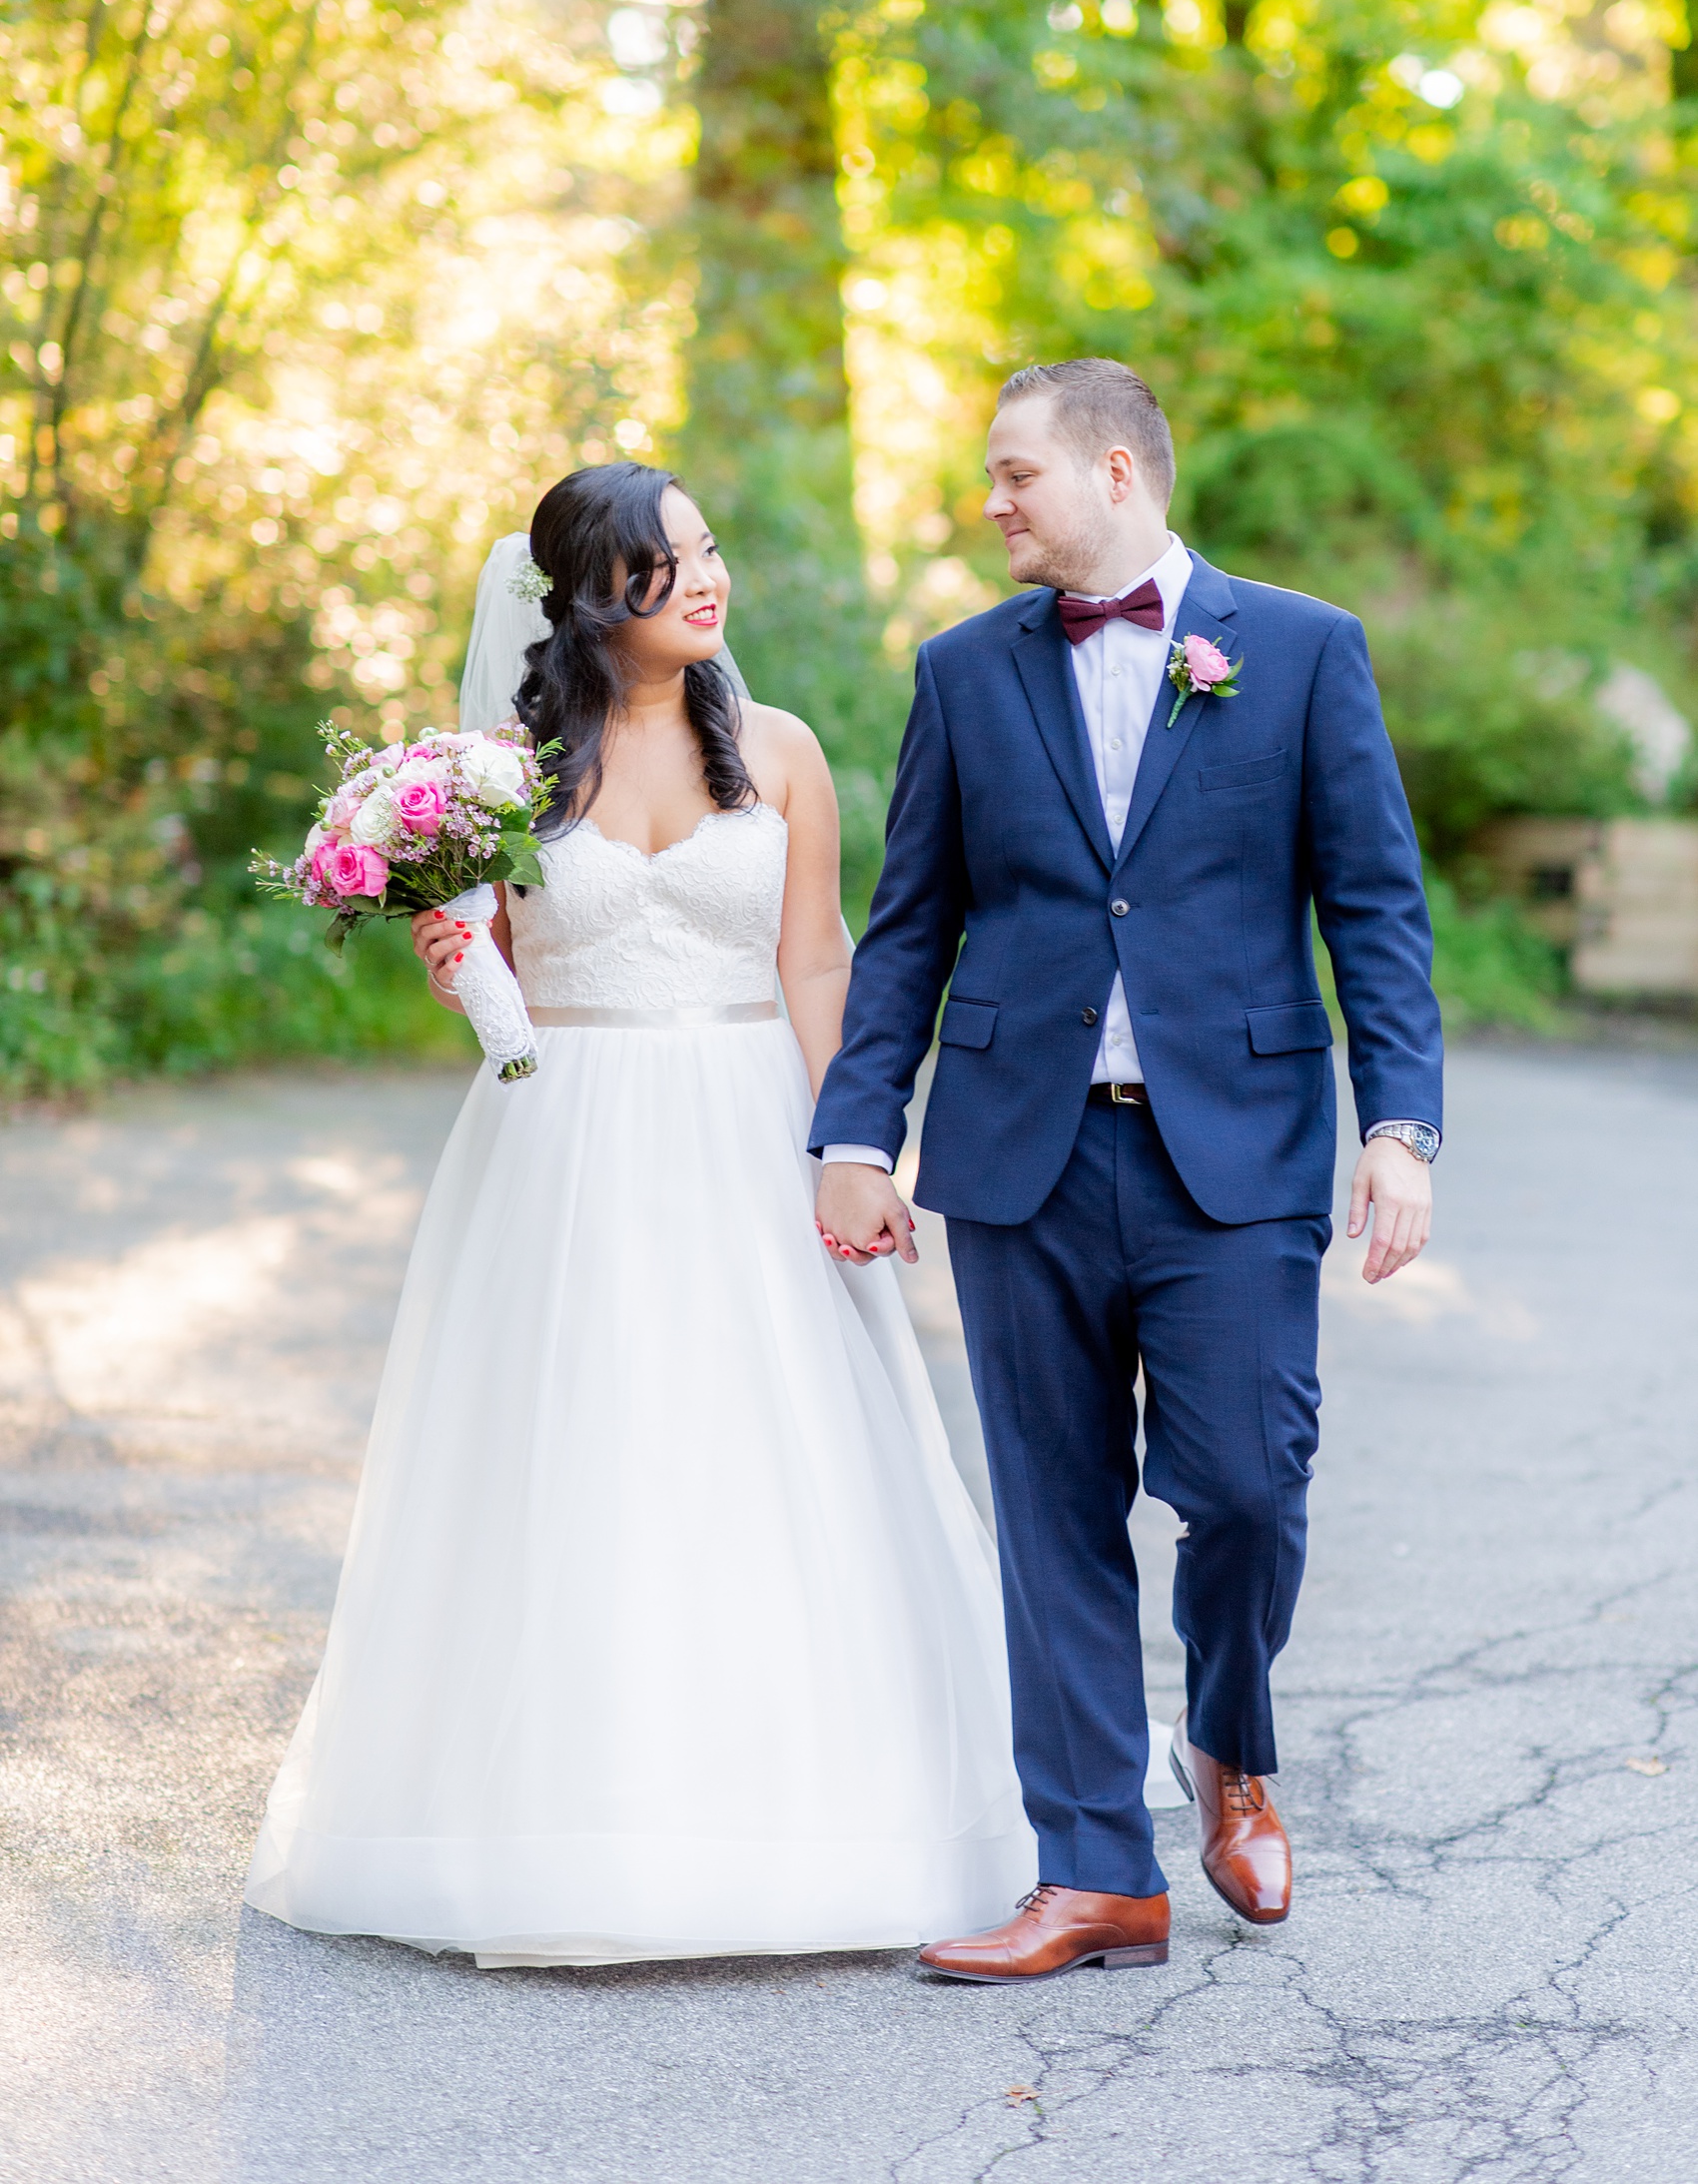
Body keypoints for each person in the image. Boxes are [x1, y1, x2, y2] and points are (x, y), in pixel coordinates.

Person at [245, 461, 1036, 1968]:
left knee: (782, 1446)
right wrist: (458, 958)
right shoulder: (494, 773)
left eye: (711, 547)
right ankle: (564, 1818)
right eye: (674, 562)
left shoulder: (784, 750)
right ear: (600, 593)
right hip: (569, 1139)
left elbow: (817, 962)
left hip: (753, 1127)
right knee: (582, 1451)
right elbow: (503, 985)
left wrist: (854, 1143)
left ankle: (815, 1803)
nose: (710, 578)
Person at [812, 360, 1442, 1983]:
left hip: (1232, 1154)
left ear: (1113, 469)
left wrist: (1401, 1127)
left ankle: (1230, 1742)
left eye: (1015, 473)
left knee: (1246, 1483)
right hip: (1021, 1151)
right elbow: (910, 928)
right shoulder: (962, 673)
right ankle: (1097, 1872)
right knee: (1054, 1516)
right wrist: (858, 1131)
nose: (992, 502)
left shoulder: (1299, 651)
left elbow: (1372, 905)